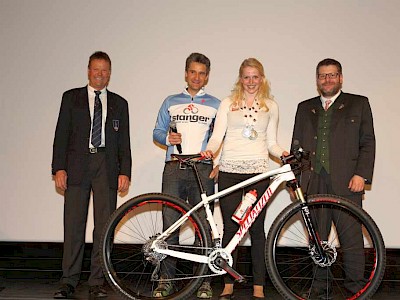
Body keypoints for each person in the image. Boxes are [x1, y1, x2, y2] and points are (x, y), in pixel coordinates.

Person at [202, 58, 288, 300]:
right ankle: (228, 283)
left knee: (256, 229)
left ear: (262, 78)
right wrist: (210, 150)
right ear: (240, 79)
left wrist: (284, 153)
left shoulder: (271, 105)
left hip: (258, 173)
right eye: (246, 77)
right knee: (231, 227)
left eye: (255, 77)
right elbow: (218, 136)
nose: (251, 82)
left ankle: (258, 287)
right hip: (229, 171)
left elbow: (271, 143)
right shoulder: (228, 103)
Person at [291, 58, 375, 296]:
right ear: (317, 79)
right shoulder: (304, 107)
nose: (327, 80)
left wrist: (362, 174)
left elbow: (368, 142)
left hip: (347, 180)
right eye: (322, 76)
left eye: (332, 75)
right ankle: (319, 288)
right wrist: (296, 178)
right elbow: (296, 145)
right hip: (313, 181)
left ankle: (355, 289)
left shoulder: (359, 104)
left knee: (351, 239)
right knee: (317, 240)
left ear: (340, 78)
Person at [52, 51, 132, 299]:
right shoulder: (71, 98)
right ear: (88, 71)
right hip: (77, 164)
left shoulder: (120, 103)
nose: (100, 74)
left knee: (104, 227)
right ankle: (69, 280)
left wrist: (125, 171)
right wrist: (58, 168)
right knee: (74, 225)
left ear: (110, 73)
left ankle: (98, 280)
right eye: (96, 69)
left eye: (105, 70)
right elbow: (61, 135)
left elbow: (124, 143)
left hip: (106, 165)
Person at [152, 52, 220, 299]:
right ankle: (166, 280)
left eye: (202, 73)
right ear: (186, 73)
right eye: (193, 72)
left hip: (202, 169)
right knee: (170, 226)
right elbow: (157, 131)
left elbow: (221, 136)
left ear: (207, 77)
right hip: (174, 167)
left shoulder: (216, 103)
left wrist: (218, 162)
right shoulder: (170, 100)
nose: (197, 77)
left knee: (203, 226)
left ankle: (203, 281)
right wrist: (166, 138)